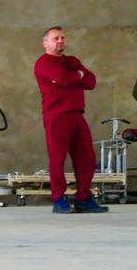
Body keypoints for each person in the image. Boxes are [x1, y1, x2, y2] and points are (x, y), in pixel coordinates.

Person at [33, 26, 108, 214]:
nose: (60, 41)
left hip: (77, 114)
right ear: (45, 43)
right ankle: (59, 198)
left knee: (86, 157)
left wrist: (76, 76)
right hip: (57, 116)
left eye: (62, 38)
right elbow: (63, 78)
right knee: (57, 158)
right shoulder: (43, 63)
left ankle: (83, 197)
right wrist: (78, 75)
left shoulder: (72, 60)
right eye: (55, 38)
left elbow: (90, 82)